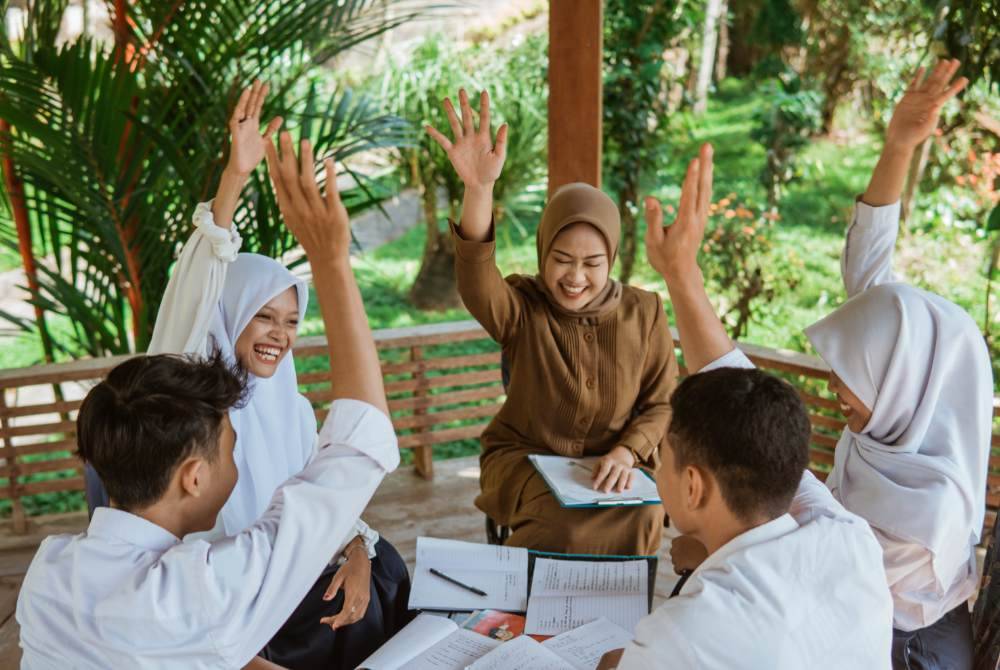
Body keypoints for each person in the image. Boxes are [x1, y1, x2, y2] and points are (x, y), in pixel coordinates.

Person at [16, 134, 400, 668]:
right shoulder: (205, 587)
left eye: (291, 321)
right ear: (194, 476)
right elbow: (357, 448)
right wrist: (331, 259)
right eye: (228, 446)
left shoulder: (49, 573)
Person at [599, 142, 894, 669]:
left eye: (662, 457)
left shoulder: (684, 632)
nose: (655, 467)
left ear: (693, 485)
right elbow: (730, 380)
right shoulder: (851, 541)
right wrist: (680, 273)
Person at [425, 89, 677, 555]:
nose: (576, 277)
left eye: (592, 263)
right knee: (561, 523)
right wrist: (479, 190)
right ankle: (526, 601)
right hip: (525, 458)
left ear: (611, 259)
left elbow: (661, 404)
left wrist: (627, 451)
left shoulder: (644, 312)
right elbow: (477, 282)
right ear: (544, 252)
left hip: (613, 463)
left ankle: (614, 604)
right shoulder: (523, 305)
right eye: (562, 259)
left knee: (644, 513)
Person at [802, 59, 990, 668]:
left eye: (851, 372)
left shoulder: (927, 508)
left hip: (906, 649)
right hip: (854, 616)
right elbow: (869, 272)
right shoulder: (896, 413)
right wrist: (898, 146)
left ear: (901, 383)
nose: (835, 383)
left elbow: (824, 560)